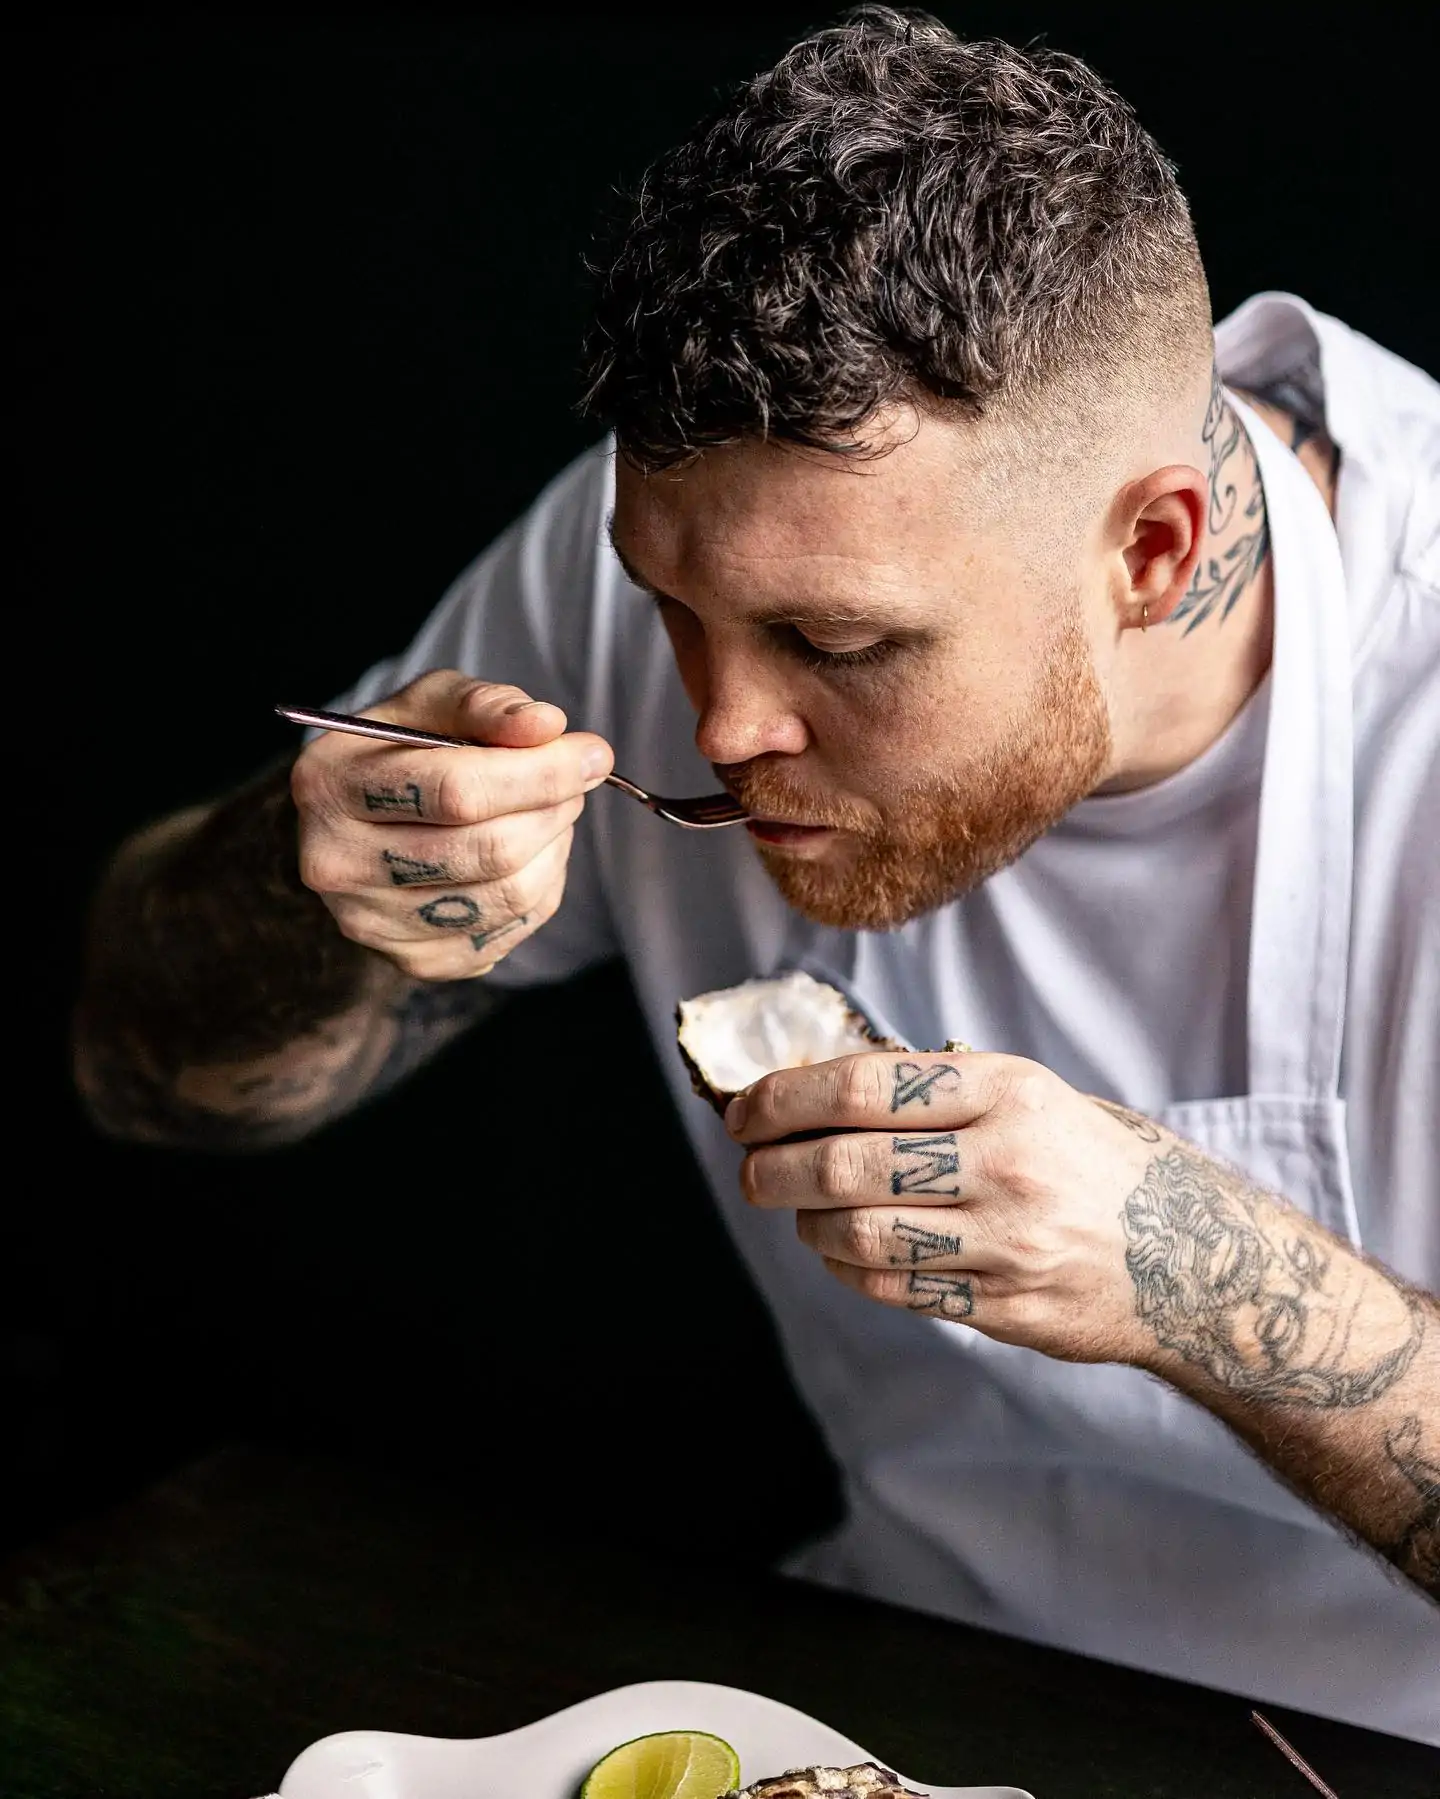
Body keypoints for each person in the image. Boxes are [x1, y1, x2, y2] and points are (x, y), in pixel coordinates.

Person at [75, 7, 1439, 1740]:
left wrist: (1178, 1272)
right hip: (873, 1701)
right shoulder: (720, 538)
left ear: (1153, 549)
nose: (720, 719)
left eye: (840, 642)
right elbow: (145, 1080)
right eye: (669, 608)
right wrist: (310, 876)